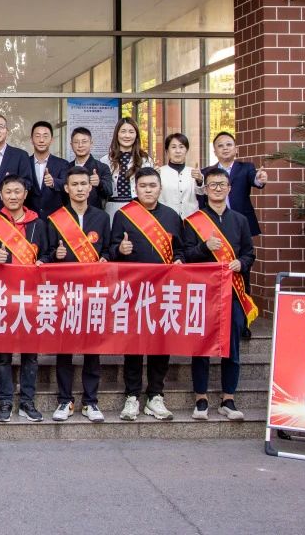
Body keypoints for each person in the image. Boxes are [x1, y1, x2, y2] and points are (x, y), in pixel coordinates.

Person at [0, 175, 50, 423]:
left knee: (30, 353)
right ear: (1, 196)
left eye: (17, 191)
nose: (13, 196)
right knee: (3, 353)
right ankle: (5, 400)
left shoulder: (38, 224)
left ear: (25, 194)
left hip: (32, 295)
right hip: (3, 295)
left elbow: (48, 253)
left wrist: (43, 260)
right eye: (8, 192)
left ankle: (27, 401)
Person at [109, 167, 184, 422]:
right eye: (143, 186)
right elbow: (111, 249)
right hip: (134, 290)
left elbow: (180, 250)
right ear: (136, 189)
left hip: (164, 290)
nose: (148, 190)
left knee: (160, 343)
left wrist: (180, 260)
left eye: (152, 186)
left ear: (160, 188)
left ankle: (155, 395)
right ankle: (132, 395)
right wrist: (120, 248)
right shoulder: (124, 215)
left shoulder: (171, 216)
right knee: (134, 343)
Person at [182, 167, 256, 422]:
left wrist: (241, 263)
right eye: (212, 185)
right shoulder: (193, 221)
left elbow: (249, 253)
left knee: (232, 346)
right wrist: (205, 247)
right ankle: (200, 398)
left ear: (229, 188)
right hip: (203, 293)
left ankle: (228, 398)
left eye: (221, 184)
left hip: (232, 292)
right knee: (201, 346)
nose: (217, 189)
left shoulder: (240, 221)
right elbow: (186, 256)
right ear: (205, 189)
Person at [44, 167, 111, 423]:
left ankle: (91, 401)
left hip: (93, 291)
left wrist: (107, 256)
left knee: (92, 347)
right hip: (66, 291)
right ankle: (65, 400)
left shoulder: (101, 218)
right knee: (65, 348)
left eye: (84, 184)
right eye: (75, 184)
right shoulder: (56, 218)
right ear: (66, 188)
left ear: (90, 187)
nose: (80, 188)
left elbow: (109, 249)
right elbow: (46, 254)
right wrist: (55, 255)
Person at [203, 131, 268, 238]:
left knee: (244, 249)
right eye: (220, 146)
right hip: (214, 221)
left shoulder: (246, 167)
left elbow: (253, 178)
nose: (225, 148)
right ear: (215, 152)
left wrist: (258, 179)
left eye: (229, 144)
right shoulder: (206, 172)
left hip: (241, 220)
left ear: (236, 149)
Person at [100, 117, 153, 217]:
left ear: (136, 135)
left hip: (138, 207)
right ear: (117, 134)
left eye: (131, 132)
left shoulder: (145, 160)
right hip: (112, 209)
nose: (127, 135)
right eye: (123, 131)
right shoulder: (105, 160)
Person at [28, 120, 69, 216]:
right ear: (31, 140)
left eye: (45, 136)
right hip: (30, 218)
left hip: (55, 218)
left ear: (51, 140)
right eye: (37, 136)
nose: (41, 140)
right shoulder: (25, 163)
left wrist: (53, 182)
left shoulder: (63, 164)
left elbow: (68, 185)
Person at [158, 132, 203, 219]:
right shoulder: (160, 172)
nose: (178, 151)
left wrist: (200, 180)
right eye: (173, 147)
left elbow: (201, 193)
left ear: (186, 150)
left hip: (191, 218)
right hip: (166, 218)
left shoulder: (193, 172)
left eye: (181, 147)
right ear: (167, 151)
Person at [68, 127, 113, 212]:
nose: (80, 145)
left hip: (94, 215)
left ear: (91, 144)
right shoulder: (67, 167)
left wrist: (99, 183)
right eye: (76, 142)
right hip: (70, 215)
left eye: (84, 142)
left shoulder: (102, 167)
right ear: (71, 145)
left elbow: (109, 191)